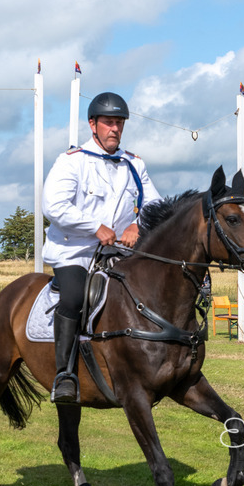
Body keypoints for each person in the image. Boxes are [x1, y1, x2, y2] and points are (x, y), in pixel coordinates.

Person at [42, 91, 162, 404]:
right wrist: (94, 227)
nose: (115, 129)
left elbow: (154, 203)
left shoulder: (134, 164)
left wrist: (138, 225)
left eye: (119, 123)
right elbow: (53, 205)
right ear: (93, 124)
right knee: (73, 296)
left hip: (120, 254)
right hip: (75, 252)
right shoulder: (72, 162)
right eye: (109, 122)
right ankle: (64, 374)